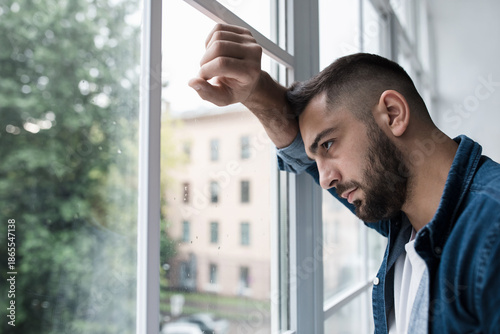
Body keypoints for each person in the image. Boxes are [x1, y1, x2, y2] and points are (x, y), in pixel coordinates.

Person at [189, 23, 500, 334]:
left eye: (328, 145)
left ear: (392, 114)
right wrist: (256, 91)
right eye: (316, 158)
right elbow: (300, 142)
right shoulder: (404, 215)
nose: (324, 180)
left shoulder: (492, 229)